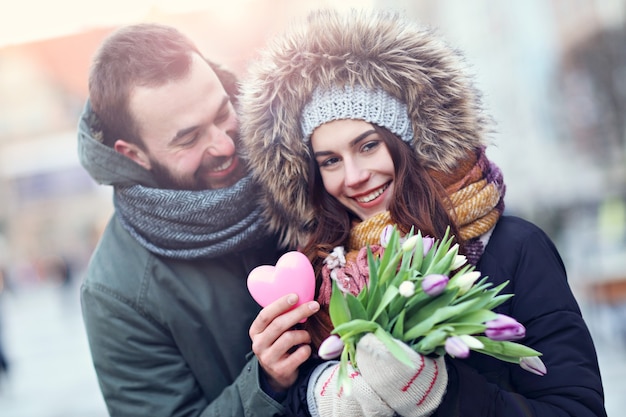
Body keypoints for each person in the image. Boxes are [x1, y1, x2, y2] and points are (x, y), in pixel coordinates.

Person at [238, 8, 607, 417]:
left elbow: (576, 409)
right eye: (329, 161)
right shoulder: (319, 276)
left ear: (408, 142)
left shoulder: (513, 248)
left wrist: (441, 394)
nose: (354, 176)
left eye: (368, 145)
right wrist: (297, 390)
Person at [77, 23, 319, 416]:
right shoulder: (116, 291)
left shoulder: (305, 158)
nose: (224, 144)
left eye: (223, 112)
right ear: (133, 154)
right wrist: (265, 383)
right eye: (188, 139)